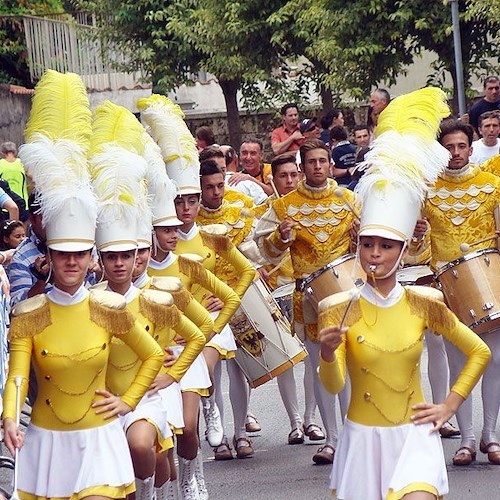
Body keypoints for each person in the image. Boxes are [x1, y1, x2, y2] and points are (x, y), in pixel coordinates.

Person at [318, 86, 490, 500]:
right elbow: (334, 382)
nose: (375, 254)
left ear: (402, 250)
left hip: (416, 439)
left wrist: (449, 405)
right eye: (368, 244)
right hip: (362, 442)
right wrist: (327, 353)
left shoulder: (423, 302)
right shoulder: (337, 307)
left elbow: (479, 352)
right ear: (358, 246)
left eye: (386, 245)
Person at [2, 69, 164, 500]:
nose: (72, 262)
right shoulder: (28, 314)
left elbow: (153, 356)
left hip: (99, 442)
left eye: (79, 253)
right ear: (49, 256)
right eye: (63, 254)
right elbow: (18, 375)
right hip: (46, 446)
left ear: (90, 256)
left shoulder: (108, 306)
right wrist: (9, 417)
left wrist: (128, 402)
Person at [255, 138, 356, 465]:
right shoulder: (285, 205)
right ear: (302, 166)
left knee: (351, 368)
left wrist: (359, 234)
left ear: (329, 164)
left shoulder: (349, 198)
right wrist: (280, 237)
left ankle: (354, 435)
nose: (317, 167)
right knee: (320, 367)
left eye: (322, 161)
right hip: (309, 298)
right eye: (311, 162)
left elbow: (371, 245)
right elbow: (265, 251)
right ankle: (332, 438)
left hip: (348, 293)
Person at [412, 119, 500, 467]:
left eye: (462, 146)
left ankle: (490, 434)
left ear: (471, 145)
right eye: (449, 147)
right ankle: (465, 440)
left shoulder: (493, 185)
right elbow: (414, 250)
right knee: (459, 363)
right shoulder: (426, 190)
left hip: (490, 285)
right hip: (446, 288)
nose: (456, 153)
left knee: (495, 360)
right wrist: (418, 235)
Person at [202, 144, 267, 205]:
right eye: (213, 170)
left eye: (222, 170)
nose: (217, 192)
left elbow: (267, 208)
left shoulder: (248, 185)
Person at [0, 142, 28, 206]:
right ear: (15, 152)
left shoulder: (0, 164)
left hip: (5, 205)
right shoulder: (22, 163)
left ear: (2, 152)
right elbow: (33, 178)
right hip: (22, 204)